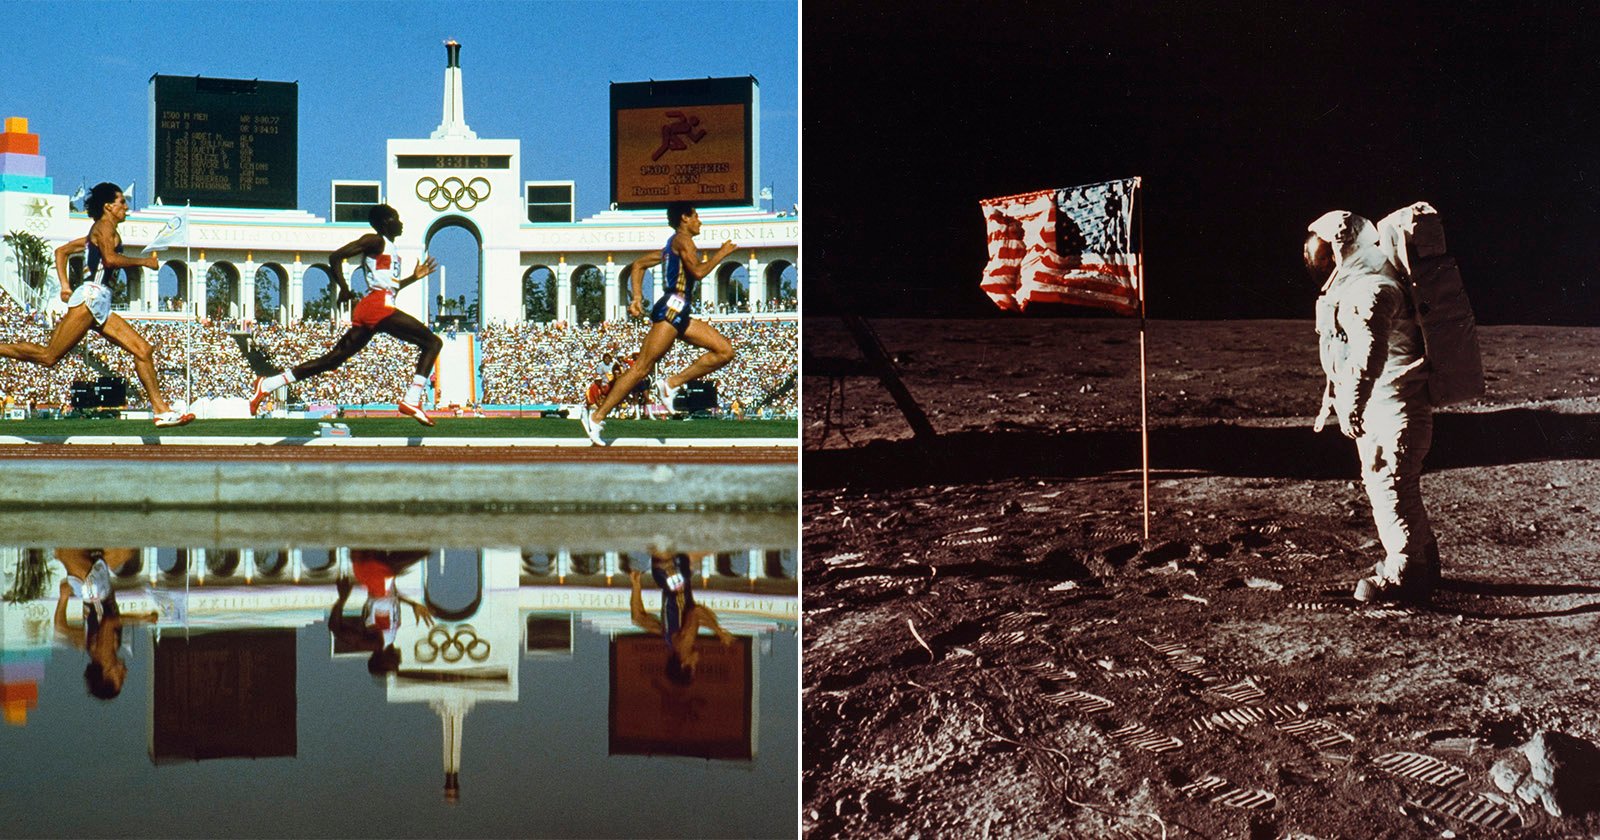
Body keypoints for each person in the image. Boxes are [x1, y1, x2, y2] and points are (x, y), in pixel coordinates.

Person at [1306, 210, 1439, 603]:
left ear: (1342, 250)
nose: (1317, 262)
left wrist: (1352, 404)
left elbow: (1368, 354)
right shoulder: (1367, 285)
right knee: (1395, 487)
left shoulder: (1371, 291)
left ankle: (1407, 575)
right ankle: (1423, 562)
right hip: (1390, 404)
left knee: (1391, 488)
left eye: (1323, 253)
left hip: (1395, 408)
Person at [0, 183, 193, 426]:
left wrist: (65, 286)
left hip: (99, 302)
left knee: (143, 350)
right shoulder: (103, 227)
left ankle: (161, 411)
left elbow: (61, 251)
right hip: (91, 299)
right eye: (122, 202)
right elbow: (110, 260)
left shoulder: (101, 231)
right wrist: (144, 262)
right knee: (48, 356)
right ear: (108, 206)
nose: (126, 207)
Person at [250, 204, 440, 425]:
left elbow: (389, 286)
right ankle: (412, 399)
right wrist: (344, 287)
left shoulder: (388, 247)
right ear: (386, 222)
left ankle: (267, 385)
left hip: (377, 306)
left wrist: (413, 278)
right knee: (433, 342)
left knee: (332, 360)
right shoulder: (375, 240)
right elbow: (336, 257)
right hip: (378, 306)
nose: (401, 223)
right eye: (396, 218)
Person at [580, 202, 737, 444]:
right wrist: (722, 253)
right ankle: (596, 417)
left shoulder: (669, 247)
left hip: (680, 309)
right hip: (673, 306)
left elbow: (638, 265)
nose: (700, 222)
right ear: (685, 218)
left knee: (725, 351)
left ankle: (671, 384)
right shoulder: (683, 240)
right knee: (641, 368)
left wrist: (637, 297)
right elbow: (697, 272)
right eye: (696, 216)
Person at [52, 548, 157, 699]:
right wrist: (64, 596)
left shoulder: (105, 654)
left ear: (107, 673)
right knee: (127, 552)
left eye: (120, 679)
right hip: (91, 587)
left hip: (95, 588)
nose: (125, 675)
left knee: (66, 551)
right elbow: (60, 627)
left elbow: (109, 622)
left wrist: (142, 620)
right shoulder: (89, 649)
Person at [628, 551, 734, 684]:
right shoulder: (669, 639)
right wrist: (636, 584)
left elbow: (696, 611)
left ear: (684, 664)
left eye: (694, 667)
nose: (697, 662)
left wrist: (719, 632)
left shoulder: (684, 644)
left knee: (714, 544)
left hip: (673, 573)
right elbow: (638, 618)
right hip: (664, 576)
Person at [327, 549, 434, 678]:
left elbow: (335, 627)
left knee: (426, 548)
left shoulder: (375, 644)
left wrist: (342, 598)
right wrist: (412, 604)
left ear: (382, 661)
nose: (398, 663)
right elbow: (389, 598)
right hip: (380, 577)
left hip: (376, 575)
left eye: (393, 666)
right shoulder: (389, 639)